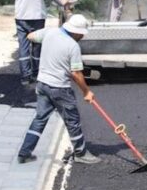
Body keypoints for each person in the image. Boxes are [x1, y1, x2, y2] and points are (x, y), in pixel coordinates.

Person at [17, 14, 101, 164]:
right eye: (81, 34)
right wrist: (86, 92)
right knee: (72, 120)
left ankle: (24, 152)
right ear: (75, 32)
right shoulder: (72, 46)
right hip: (59, 88)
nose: (82, 37)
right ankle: (81, 153)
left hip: (42, 84)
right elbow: (76, 73)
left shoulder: (50, 32)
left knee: (40, 119)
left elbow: (30, 36)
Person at [12, 0, 66, 85]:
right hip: (36, 16)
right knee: (37, 46)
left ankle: (25, 77)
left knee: (23, 47)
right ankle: (37, 74)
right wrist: (60, 1)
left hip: (20, 16)